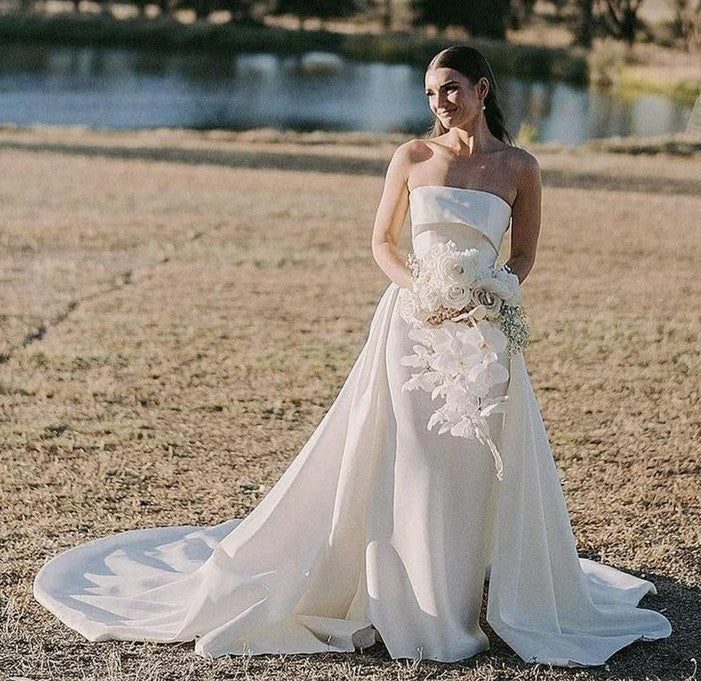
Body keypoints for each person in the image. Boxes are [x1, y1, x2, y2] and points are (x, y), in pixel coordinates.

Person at [33, 45, 672, 667]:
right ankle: (415, 599)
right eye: (430, 92)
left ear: (482, 89)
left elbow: (525, 254)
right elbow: (381, 242)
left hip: (483, 330)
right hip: (413, 326)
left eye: (451, 87)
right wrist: (421, 289)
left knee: (476, 460)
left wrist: (494, 289)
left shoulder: (520, 167)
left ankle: (471, 586)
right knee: (413, 454)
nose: (440, 102)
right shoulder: (412, 156)